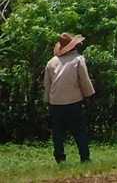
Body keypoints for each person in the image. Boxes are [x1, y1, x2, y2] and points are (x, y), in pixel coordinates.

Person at [43, 33, 95, 163]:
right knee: (79, 131)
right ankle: (85, 157)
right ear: (73, 47)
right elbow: (84, 80)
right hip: (73, 101)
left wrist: (47, 101)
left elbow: (47, 85)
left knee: (58, 133)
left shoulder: (51, 62)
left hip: (55, 103)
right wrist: (89, 95)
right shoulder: (78, 60)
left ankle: (60, 159)